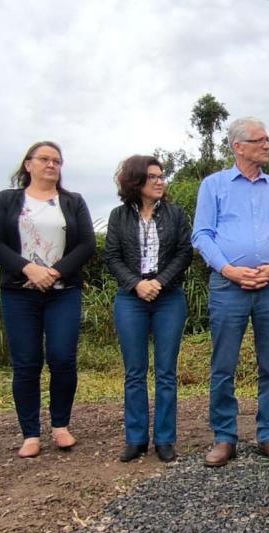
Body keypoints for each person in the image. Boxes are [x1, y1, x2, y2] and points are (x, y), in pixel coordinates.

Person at [192, 117, 269, 467]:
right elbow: (202, 235)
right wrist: (228, 269)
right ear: (239, 146)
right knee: (224, 364)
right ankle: (224, 437)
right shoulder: (213, 185)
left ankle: (268, 434)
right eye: (260, 140)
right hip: (227, 285)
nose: (268, 145)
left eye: (268, 139)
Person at [0, 141, 96, 458]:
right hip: (19, 293)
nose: (51, 165)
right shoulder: (9, 199)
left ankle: (60, 425)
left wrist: (55, 272)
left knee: (62, 358)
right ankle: (30, 433)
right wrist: (29, 269)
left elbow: (87, 245)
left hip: (63, 292)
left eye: (57, 161)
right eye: (44, 159)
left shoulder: (72, 202)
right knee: (26, 362)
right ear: (28, 164)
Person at [105, 155, 192, 463]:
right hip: (131, 298)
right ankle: (136, 438)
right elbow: (112, 256)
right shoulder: (118, 216)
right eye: (152, 176)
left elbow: (184, 253)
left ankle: (165, 440)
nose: (159, 181)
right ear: (135, 182)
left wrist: (159, 282)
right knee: (135, 372)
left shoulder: (176, 214)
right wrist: (137, 284)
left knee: (166, 372)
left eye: (161, 176)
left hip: (168, 297)